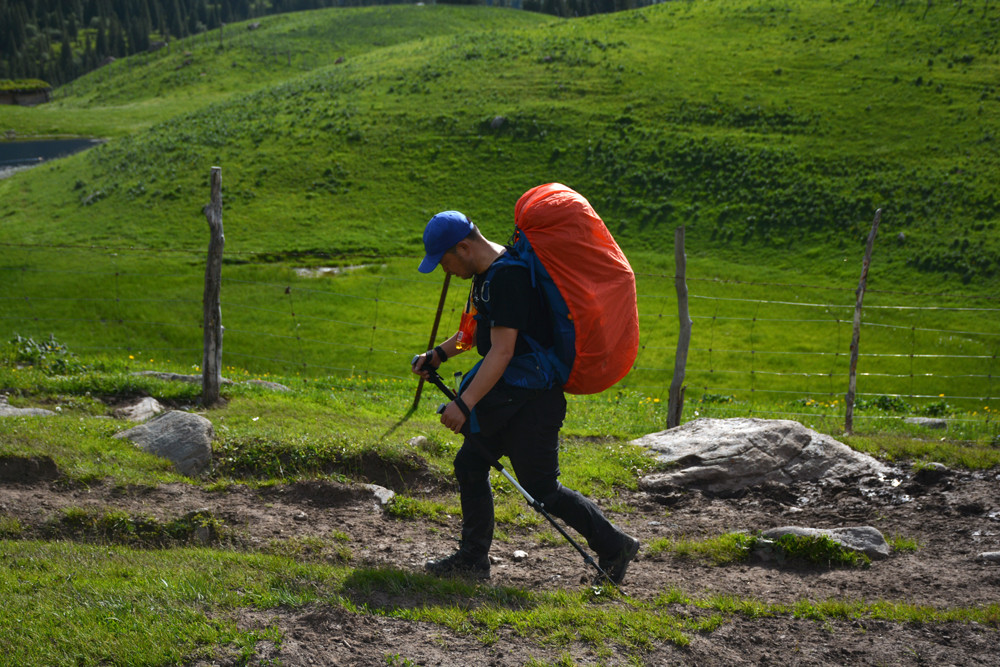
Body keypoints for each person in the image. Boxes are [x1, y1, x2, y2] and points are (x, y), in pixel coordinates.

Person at [411, 210, 640, 585]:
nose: (444, 271)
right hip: (510, 395)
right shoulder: (486, 276)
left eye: (444, 261)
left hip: (533, 402)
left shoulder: (509, 278)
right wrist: (438, 354)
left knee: (543, 489)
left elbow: (501, 352)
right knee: (470, 464)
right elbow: (473, 332)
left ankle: (616, 547)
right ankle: (472, 559)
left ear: (464, 248)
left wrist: (464, 404)